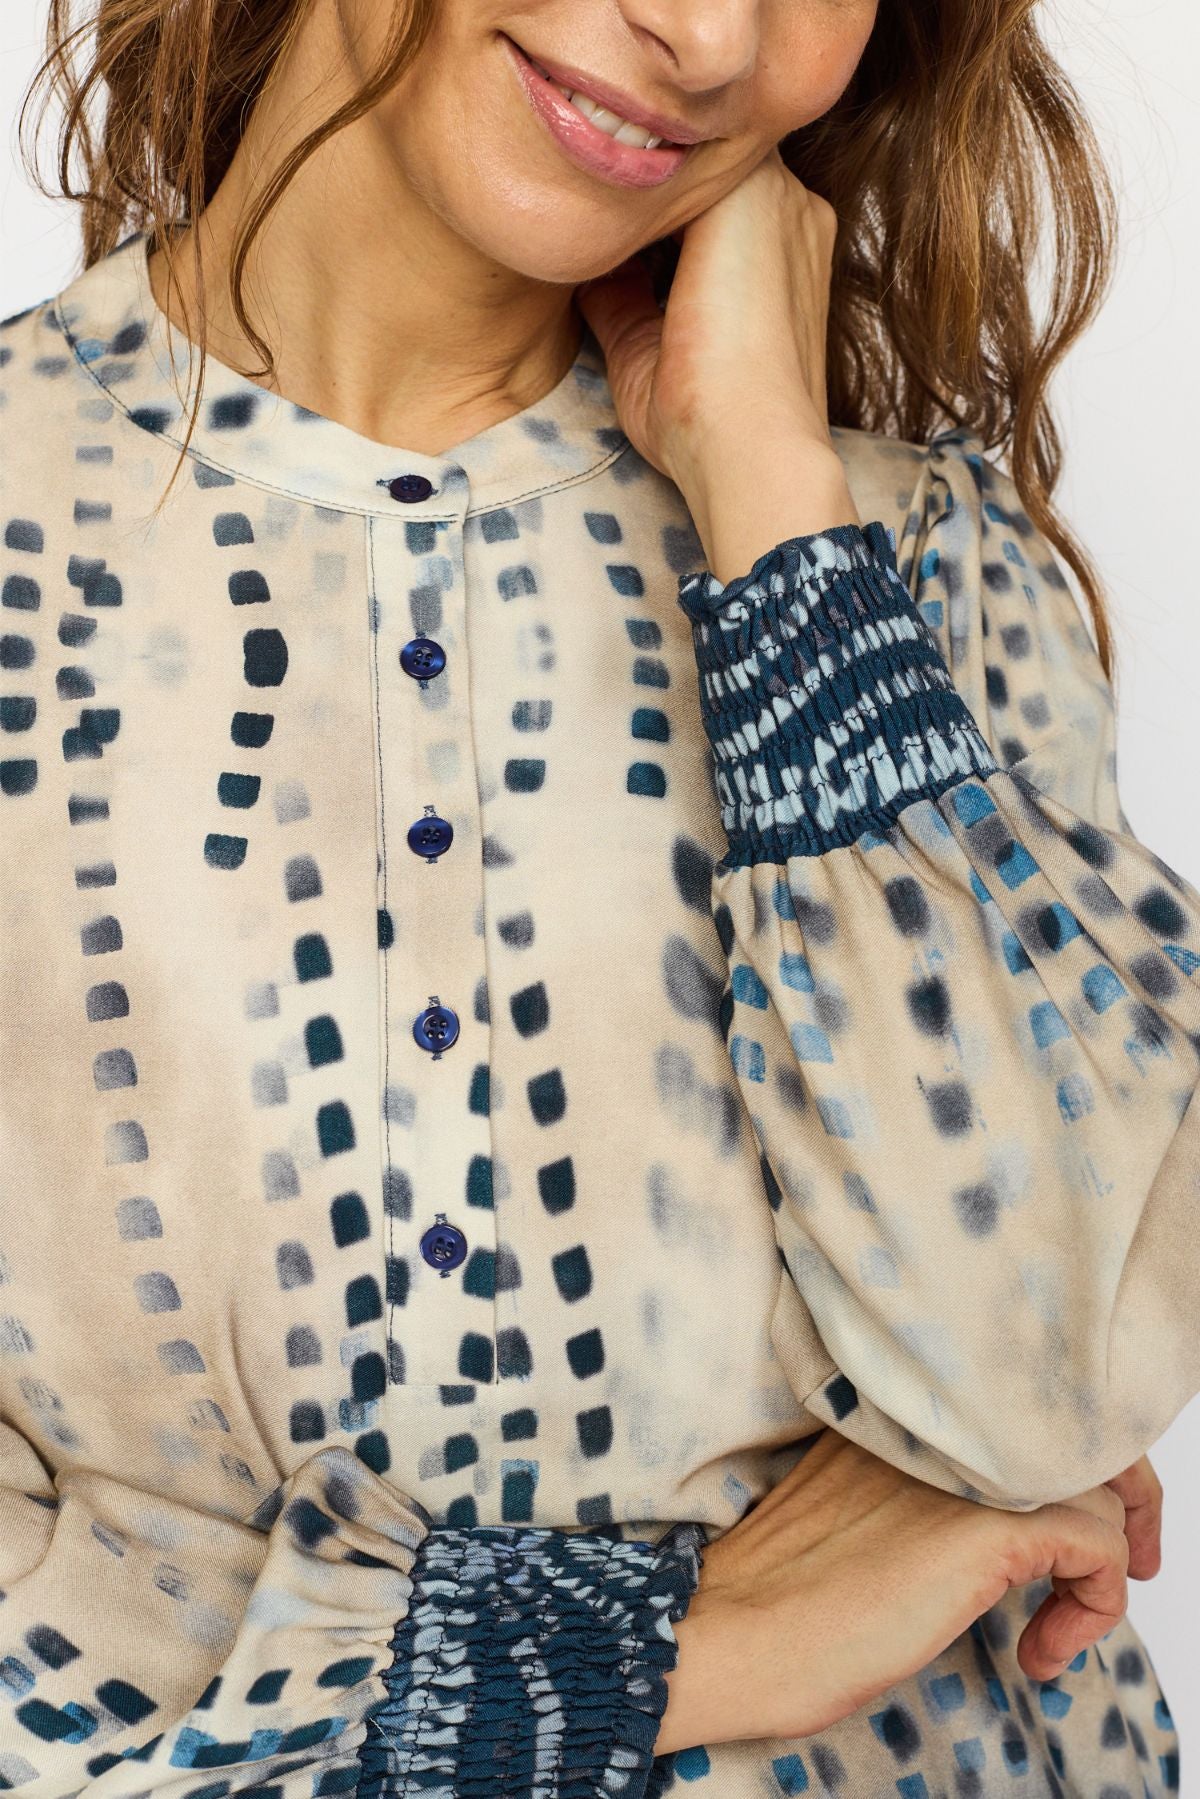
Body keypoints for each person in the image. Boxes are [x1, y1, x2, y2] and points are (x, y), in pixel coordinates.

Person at [1, 0, 1195, 1792]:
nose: (708, 36)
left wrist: (773, 511)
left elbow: (1056, 1388)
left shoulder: (907, 566)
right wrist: (653, 1654)